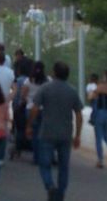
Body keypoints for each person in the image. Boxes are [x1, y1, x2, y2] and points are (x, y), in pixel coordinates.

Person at [27, 62, 84, 201]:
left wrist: (29, 125)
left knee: (44, 163)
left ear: (54, 72)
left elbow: (35, 108)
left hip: (47, 132)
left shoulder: (45, 88)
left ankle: (50, 186)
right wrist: (77, 135)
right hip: (65, 133)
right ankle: (60, 194)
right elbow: (79, 114)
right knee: (64, 166)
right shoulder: (72, 90)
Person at [89, 69, 107, 169]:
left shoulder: (101, 87)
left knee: (99, 138)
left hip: (100, 113)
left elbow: (91, 97)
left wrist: (93, 90)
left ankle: (100, 160)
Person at [21, 61, 51, 162]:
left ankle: (36, 157)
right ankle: (45, 156)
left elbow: (23, 95)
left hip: (30, 108)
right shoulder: (48, 80)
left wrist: (29, 100)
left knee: (34, 133)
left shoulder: (28, 81)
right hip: (44, 109)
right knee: (44, 134)